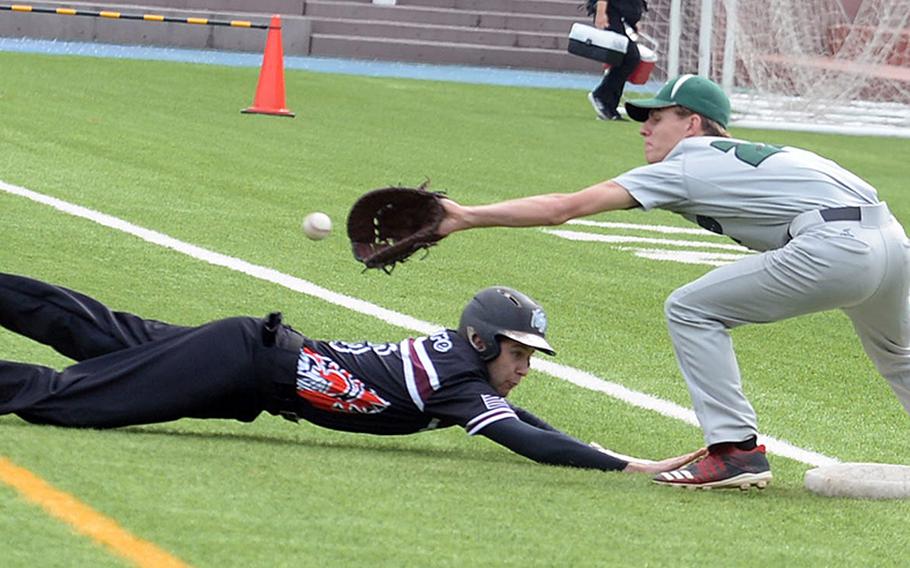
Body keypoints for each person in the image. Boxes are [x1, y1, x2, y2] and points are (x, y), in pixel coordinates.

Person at [437, 73, 910, 490]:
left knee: (691, 309)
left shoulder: (687, 162)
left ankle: (734, 451)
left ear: (692, 124)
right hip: (891, 240)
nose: (644, 128)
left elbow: (564, 207)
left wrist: (465, 216)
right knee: (899, 356)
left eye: (657, 117)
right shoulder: (762, 156)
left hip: (838, 245)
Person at [0, 273, 704, 474]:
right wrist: (623, 469)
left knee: (96, 332)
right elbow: (524, 440)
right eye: (517, 353)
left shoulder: (467, 373)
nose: (524, 367)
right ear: (482, 341)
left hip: (249, 362)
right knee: (78, 399)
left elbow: (525, 423)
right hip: (246, 361)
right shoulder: (460, 381)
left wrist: (622, 455)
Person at [585, 0, 647, 121]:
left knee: (628, 58)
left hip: (618, 13)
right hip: (611, 12)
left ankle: (609, 106)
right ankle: (601, 96)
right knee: (630, 57)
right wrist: (601, 12)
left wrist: (634, 20)